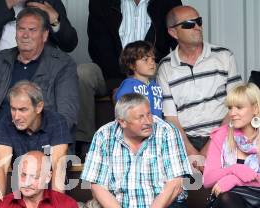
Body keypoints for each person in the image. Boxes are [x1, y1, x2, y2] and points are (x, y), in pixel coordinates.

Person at [0, 7, 79, 147]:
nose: (25, 35)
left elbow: (67, 115)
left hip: (38, 138)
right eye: (21, 29)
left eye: (32, 30)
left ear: (45, 35)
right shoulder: (1, 59)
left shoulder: (62, 64)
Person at [76, 0, 181, 152]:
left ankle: (177, 138)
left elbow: (176, 42)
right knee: (83, 73)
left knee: (173, 69)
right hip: (109, 73)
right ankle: (85, 142)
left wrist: (150, 64)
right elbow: (97, 48)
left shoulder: (167, 2)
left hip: (153, 69)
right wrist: (119, 83)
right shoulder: (100, 3)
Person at [157, 5, 242, 164]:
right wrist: (191, 152)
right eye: (189, 24)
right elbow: (171, 118)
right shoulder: (165, 67)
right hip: (186, 141)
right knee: (181, 183)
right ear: (173, 32)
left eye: (199, 21)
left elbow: (236, 107)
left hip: (224, 135)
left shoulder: (224, 56)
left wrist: (211, 147)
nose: (197, 27)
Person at [0, 0, 78, 108]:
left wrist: (55, 20)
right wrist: (7, 3)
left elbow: (69, 44)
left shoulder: (49, 1)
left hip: (38, 70)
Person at [203, 83, 260, 208]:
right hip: (227, 204)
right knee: (228, 198)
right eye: (230, 108)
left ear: (255, 109)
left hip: (256, 206)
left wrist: (234, 179)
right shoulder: (221, 135)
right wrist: (234, 170)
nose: (232, 113)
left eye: (239, 107)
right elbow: (208, 180)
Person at [0, 80, 72, 207]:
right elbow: (0, 167)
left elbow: (59, 167)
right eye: (13, 109)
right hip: (22, 194)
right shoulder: (6, 122)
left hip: (49, 193)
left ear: (39, 107)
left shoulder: (57, 122)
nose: (16, 116)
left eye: (23, 110)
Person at [114, 40, 163, 118]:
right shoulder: (128, 85)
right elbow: (122, 112)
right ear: (132, 65)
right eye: (145, 59)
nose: (152, 63)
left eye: (153, 59)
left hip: (158, 128)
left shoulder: (156, 85)